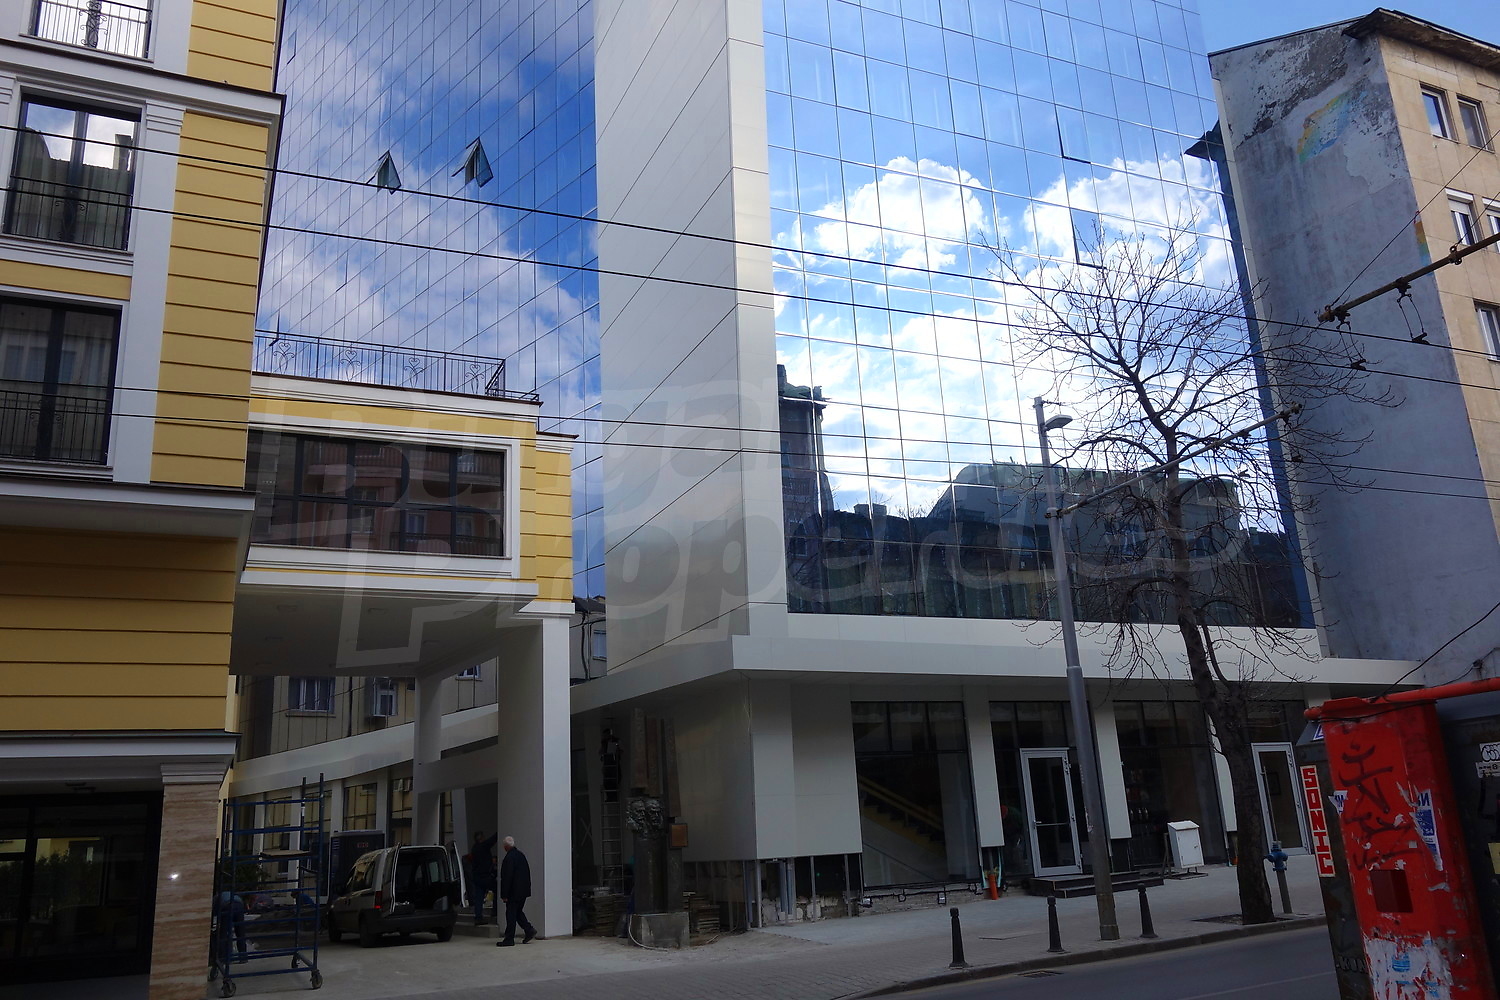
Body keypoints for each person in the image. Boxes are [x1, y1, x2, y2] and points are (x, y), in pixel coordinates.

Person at [494, 836, 536, 946]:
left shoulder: (509, 858)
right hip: (523, 891)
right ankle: (529, 929)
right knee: (517, 912)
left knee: (511, 914)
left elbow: (507, 877)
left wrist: (504, 894)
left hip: (513, 892)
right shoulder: (521, 855)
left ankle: (509, 938)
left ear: (505, 847)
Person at [469, 831, 498, 924]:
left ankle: (478, 917)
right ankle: (495, 911)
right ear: (482, 838)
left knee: (479, 897)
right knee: (497, 889)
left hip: (477, 877)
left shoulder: (474, 848)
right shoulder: (484, 846)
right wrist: (500, 830)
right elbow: (492, 840)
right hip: (485, 876)